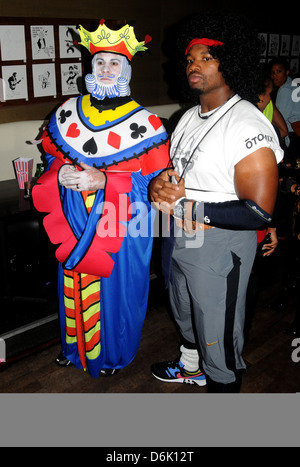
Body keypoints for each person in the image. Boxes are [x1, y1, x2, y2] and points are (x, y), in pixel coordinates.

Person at [149, 11, 283, 393]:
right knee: (185, 313)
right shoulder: (188, 117)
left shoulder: (246, 123)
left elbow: (258, 212)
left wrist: (188, 209)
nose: (195, 65)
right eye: (191, 59)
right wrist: (161, 185)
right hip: (180, 238)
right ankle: (192, 368)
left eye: (207, 57)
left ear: (231, 61)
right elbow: (180, 178)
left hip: (220, 245)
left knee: (218, 339)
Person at [32, 19, 170, 378]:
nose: (106, 70)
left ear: (126, 70)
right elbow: (52, 156)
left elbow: (154, 185)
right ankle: (74, 348)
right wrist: (57, 171)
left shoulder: (148, 124)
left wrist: (105, 179)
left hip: (120, 222)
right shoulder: (67, 111)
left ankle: (112, 354)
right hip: (74, 215)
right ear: (90, 68)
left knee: (117, 288)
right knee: (72, 278)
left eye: (114, 64)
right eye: (99, 63)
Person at [270, 57, 300, 166]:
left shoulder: (285, 89)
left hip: (294, 135)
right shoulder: (294, 85)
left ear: (287, 72)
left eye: (279, 71)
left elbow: (280, 119)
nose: (275, 75)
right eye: (273, 72)